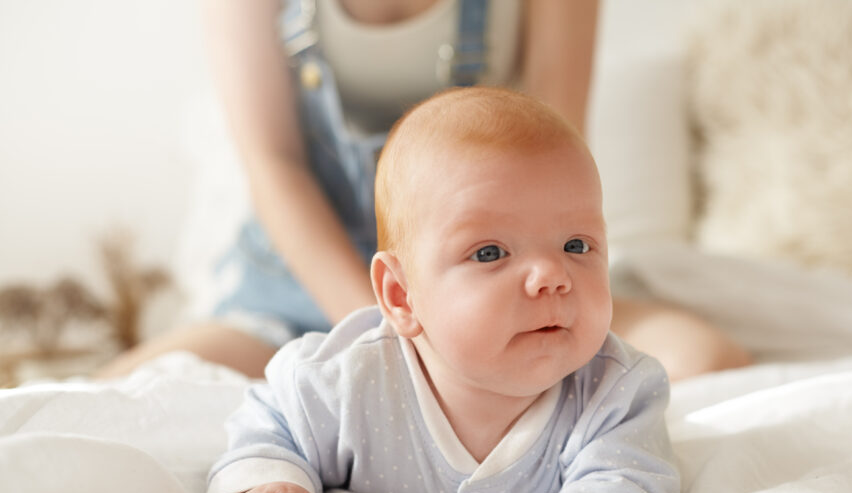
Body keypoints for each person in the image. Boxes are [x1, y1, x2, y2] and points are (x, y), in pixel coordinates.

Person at [95, 0, 749, 382]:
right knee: (112, 398)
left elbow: (557, 152)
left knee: (704, 357)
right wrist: (391, 333)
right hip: (297, 291)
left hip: (495, 277)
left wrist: (474, 323)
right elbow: (275, 165)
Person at [206, 87, 682, 493]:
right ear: (400, 295)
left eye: (576, 246)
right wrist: (275, 478)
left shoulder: (615, 392)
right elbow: (273, 417)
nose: (552, 277)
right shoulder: (349, 379)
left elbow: (630, 487)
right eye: (491, 253)